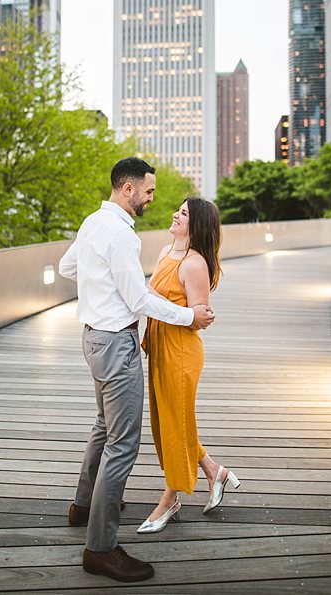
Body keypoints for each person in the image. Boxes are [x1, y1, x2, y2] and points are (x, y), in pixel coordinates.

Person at [58, 157, 215, 582]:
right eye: (147, 191)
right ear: (128, 190)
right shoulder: (122, 235)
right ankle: (101, 548)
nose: (151, 198)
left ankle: (83, 506)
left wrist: (100, 288)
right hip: (115, 343)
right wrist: (190, 318)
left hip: (92, 336)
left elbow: (67, 268)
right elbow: (139, 301)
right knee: (122, 444)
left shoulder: (93, 222)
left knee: (102, 427)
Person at [136, 197, 243, 534]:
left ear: (196, 224)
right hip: (159, 345)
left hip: (181, 353)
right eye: (177, 209)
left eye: (183, 213)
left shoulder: (195, 264)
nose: (175, 214)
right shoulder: (167, 252)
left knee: (176, 425)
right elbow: (148, 295)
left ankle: (171, 499)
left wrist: (166, 308)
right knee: (169, 421)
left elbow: (199, 319)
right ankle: (215, 472)